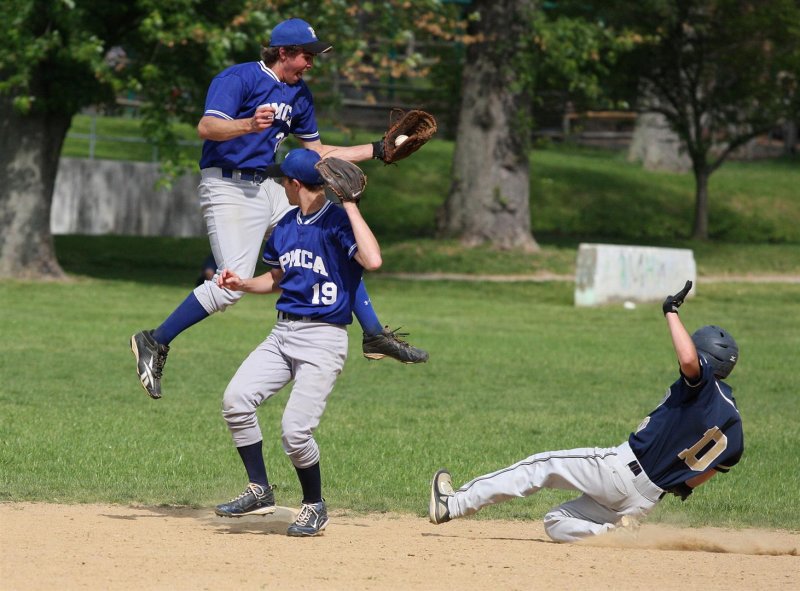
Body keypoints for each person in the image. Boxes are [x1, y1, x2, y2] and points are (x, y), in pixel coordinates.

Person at [130, 17, 427, 400]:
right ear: (283, 52)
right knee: (229, 286)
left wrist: (375, 149)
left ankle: (373, 334)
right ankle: (154, 340)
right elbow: (207, 128)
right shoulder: (237, 79)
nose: (311, 64)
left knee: (330, 243)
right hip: (227, 186)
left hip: (269, 186)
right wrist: (248, 125)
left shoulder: (300, 95)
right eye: (306, 55)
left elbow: (316, 153)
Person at [429, 280, 743, 543]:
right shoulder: (735, 428)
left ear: (705, 359)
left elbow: (689, 362)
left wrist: (670, 312)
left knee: (543, 465)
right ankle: (613, 535)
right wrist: (675, 482)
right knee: (557, 521)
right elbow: (698, 478)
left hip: (622, 470)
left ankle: (453, 504)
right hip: (644, 502)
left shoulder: (701, 387)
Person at [212, 148, 380, 536]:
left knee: (295, 431)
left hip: (323, 338)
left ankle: (314, 505)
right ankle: (259, 489)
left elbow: (372, 261)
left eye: (281, 179)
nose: (279, 185)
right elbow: (277, 279)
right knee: (236, 401)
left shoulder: (337, 222)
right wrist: (243, 283)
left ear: (295, 183)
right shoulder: (286, 225)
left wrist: (351, 206)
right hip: (283, 333)